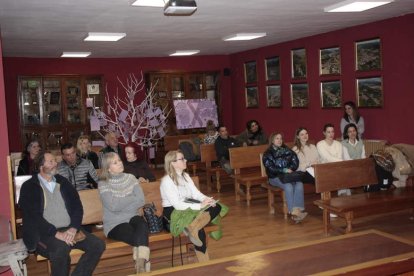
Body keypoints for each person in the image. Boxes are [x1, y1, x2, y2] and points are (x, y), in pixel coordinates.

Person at [18, 151, 105, 276]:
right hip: (43, 233)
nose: (56, 163)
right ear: (40, 166)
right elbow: (34, 218)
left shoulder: (62, 182)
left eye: (55, 160)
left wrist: (74, 228)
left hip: (69, 230)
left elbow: (77, 207)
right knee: (61, 250)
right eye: (51, 161)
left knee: (97, 245)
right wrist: (56, 233)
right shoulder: (29, 187)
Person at [160, 150, 221, 262]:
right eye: (182, 159)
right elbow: (177, 205)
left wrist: (206, 199)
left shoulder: (186, 176)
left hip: (188, 205)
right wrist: (199, 206)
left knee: (216, 206)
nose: (186, 160)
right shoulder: (166, 181)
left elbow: (196, 194)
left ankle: (193, 227)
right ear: (172, 163)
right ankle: (205, 262)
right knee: (199, 228)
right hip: (173, 211)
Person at [99, 152, 150, 273]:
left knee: (142, 225)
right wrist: (131, 197)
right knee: (137, 235)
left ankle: (140, 266)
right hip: (114, 223)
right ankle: (144, 265)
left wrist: (121, 201)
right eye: (115, 162)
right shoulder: (103, 183)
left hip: (132, 215)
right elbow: (112, 206)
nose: (120, 163)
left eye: (119, 160)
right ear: (108, 168)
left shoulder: (131, 178)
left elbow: (141, 200)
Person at [262, 132, 307, 222]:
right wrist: (283, 170)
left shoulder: (287, 150)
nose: (279, 140)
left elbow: (295, 161)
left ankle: (298, 210)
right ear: (272, 140)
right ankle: (293, 212)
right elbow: (270, 168)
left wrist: (290, 169)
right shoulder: (268, 153)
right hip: (274, 177)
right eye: (277, 138)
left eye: (281, 138)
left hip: (288, 176)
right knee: (288, 186)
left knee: (299, 183)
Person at [317, 123, 349, 197]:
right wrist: (341, 161)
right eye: (328, 132)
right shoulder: (320, 144)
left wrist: (340, 162)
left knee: (343, 171)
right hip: (325, 169)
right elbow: (327, 158)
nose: (331, 134)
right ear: (324, 133)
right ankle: (342, 195)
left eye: (332, 131)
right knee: (341, 170)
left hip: (337, 167)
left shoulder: (338, 144)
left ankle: (343, 195)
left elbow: (339, 157)